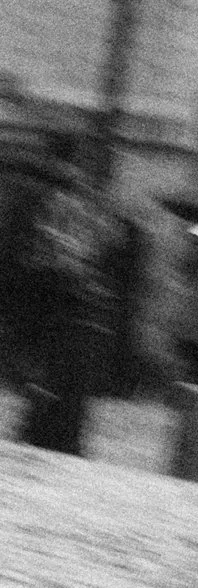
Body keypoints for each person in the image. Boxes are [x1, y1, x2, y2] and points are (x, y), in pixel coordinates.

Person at [2, 135, 112, 456]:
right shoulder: (75, 202)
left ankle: (41, 428)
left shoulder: (34, 195)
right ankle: (50, 433)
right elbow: (87, 257)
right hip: (61, 300)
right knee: (55, 373)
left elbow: (20, 251)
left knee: (43, 370)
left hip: (41, 295)